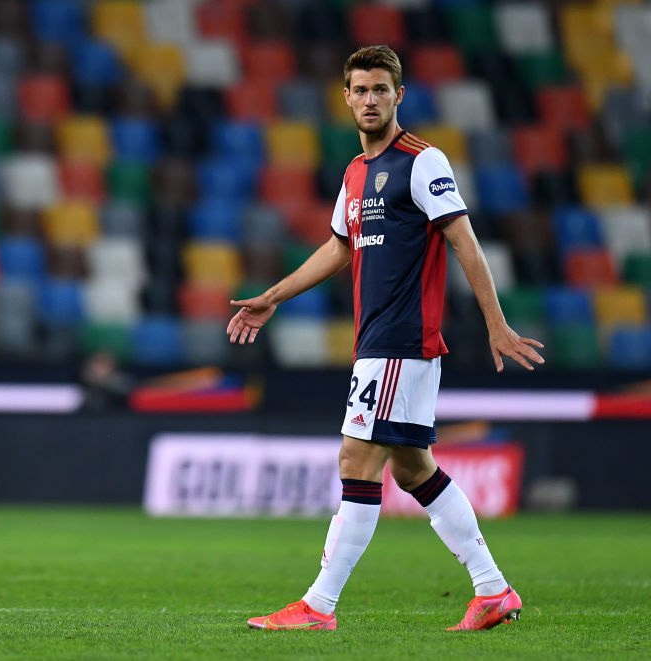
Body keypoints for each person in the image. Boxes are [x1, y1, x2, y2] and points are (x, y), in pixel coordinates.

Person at [226, 45, 544, 631]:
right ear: (345, 98)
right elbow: (338, 247)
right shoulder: (354, 172)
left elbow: (464, 240)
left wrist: (495, 323)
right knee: (414, 469)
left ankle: (319, 605)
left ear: (399, 95)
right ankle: (493, 590)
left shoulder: (421, 162)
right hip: (379, 343)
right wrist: (274, 295)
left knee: (356, 458)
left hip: (401, 341)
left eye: (380, 90)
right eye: (360, 90)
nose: (370, 100)